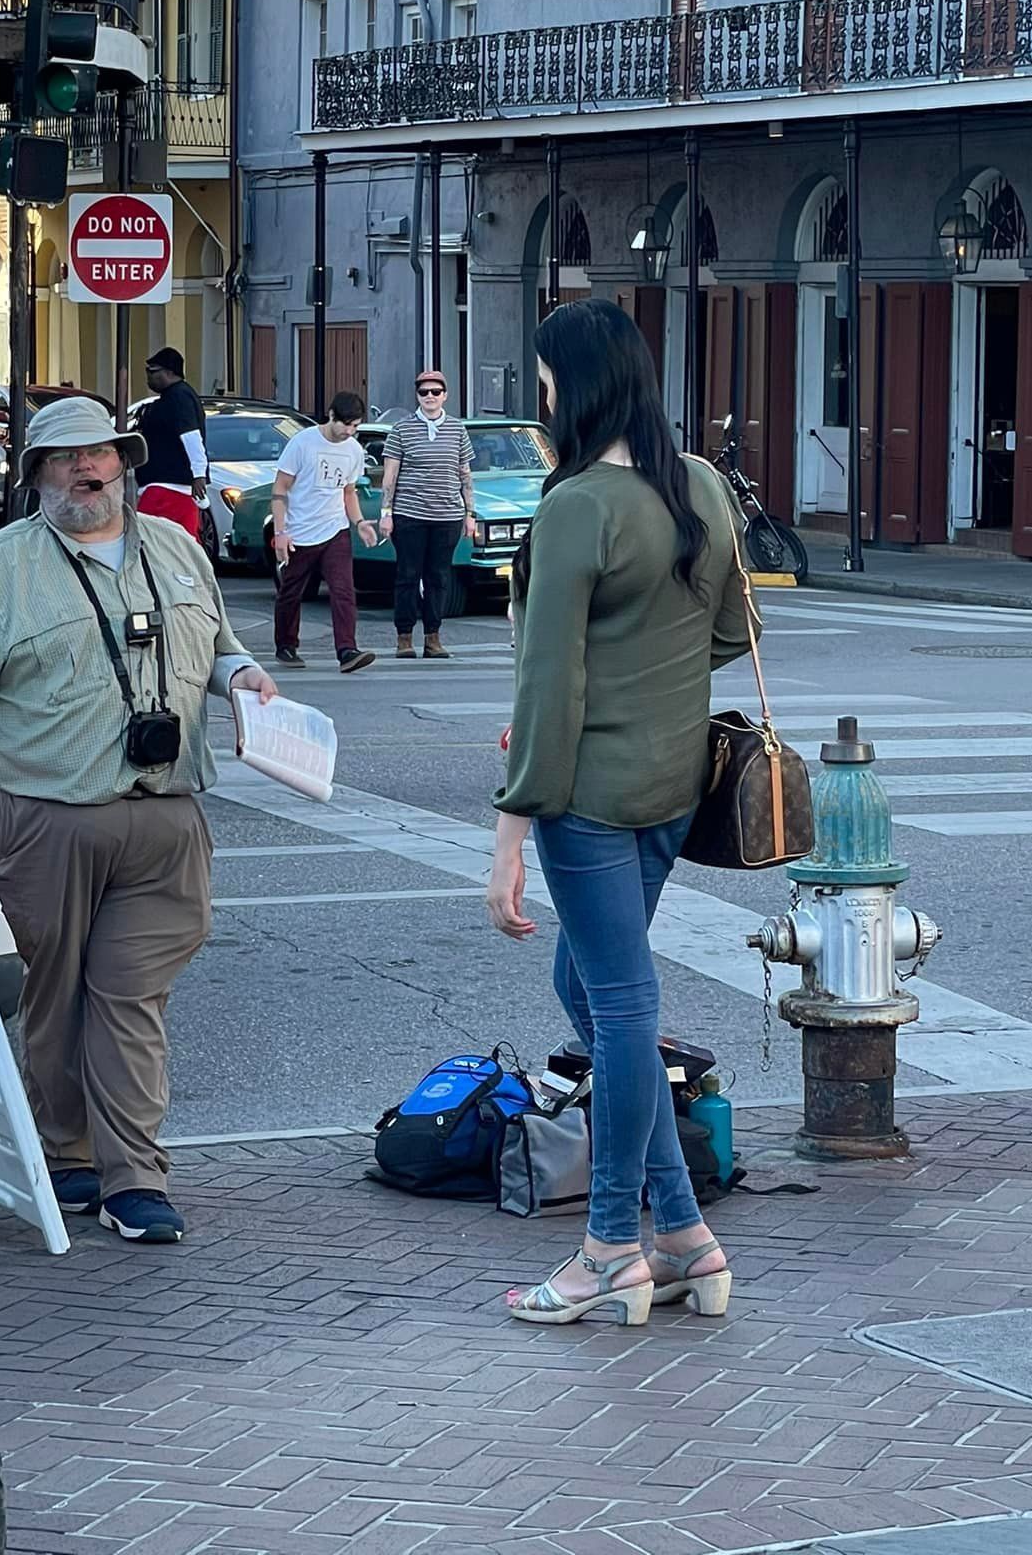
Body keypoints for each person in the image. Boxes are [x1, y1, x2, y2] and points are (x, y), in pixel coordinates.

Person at [0, 397, 277, 1246]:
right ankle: (67, 1150)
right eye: (66, 457)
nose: (86, 469)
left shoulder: (177, 547)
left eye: (100, 453)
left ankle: (135, 1177)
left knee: (129, 997)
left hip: (166, 816)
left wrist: (244, 676)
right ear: (36, 474)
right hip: (47, 817)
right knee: (58, 991)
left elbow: (219, 647)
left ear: (124, 462)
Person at [485, 297, 754, 1327]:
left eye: (547, 381)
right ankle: (682, 1232)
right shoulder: (699, 485)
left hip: (589, 794)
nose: (542, 397)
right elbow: (729, 632)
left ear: (576, 388)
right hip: (675, 786)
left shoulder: (576, 506)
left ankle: (608, 1247)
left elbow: (547, 684)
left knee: (622, 1002)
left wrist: (509, 835)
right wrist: (650, 680)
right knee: (589, 985)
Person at [271, 390, 380, 672]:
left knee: (343, 590)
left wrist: (359, 523)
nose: (350, 431)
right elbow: (280, 488)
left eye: (355, 426)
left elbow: (348, 492)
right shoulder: (302, 443)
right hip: (300, 530)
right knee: (291, 591)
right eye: (346, 424)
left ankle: (347, 651)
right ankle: (286, 644)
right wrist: (280, 532)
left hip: (335, 528)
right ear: (331, 416)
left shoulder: (353, 450)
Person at [378, 370, 476, 659]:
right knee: (407, 576)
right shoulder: (401, 430)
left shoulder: (457, 429)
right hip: (409, 514)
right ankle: (404, 638)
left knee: (439, 577)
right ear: (417, 396)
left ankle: (433, 638)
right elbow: (389, 476)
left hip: (448, 515)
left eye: (435, 392)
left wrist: (470, 512)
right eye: (424, 392)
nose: (430, 396)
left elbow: (465, 474)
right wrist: (386, 513)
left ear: (445, 396)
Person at [138, 347, 208, 538]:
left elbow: (190, 435)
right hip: (172, 486)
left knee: (151, 540)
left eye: (152, 372)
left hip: (167, 487)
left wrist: (198, 473)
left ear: (169, 372)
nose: (148, 377)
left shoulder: (178, 397)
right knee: (183, 544)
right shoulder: (178, 396)